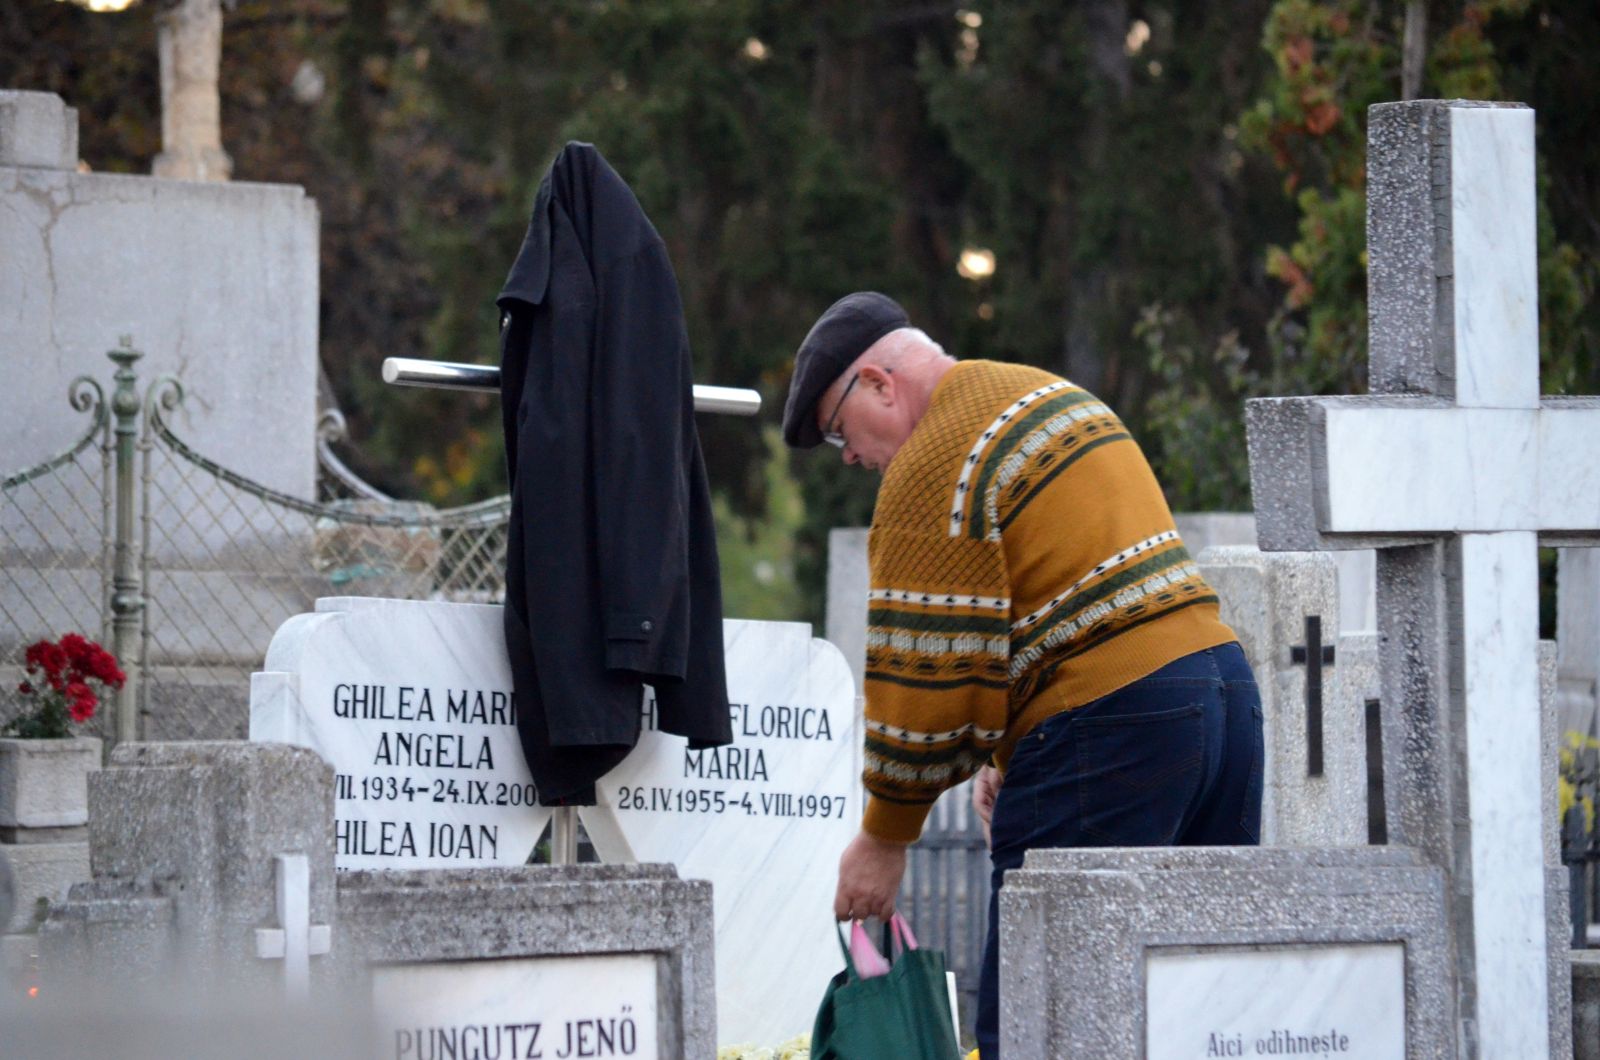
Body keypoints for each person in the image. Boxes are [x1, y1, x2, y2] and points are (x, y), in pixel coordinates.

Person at [782, 292, 1263, 1059]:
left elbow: (928, 680)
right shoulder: (1046, 395)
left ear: (879, 382)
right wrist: (1015, 756)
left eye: (839, 429)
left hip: (1114, 729)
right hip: (1225, 699)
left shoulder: (934, 460)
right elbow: (1061, 592)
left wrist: (884, 838)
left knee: (1045, 1023)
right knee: (1195, 1017)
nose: (848, 454)